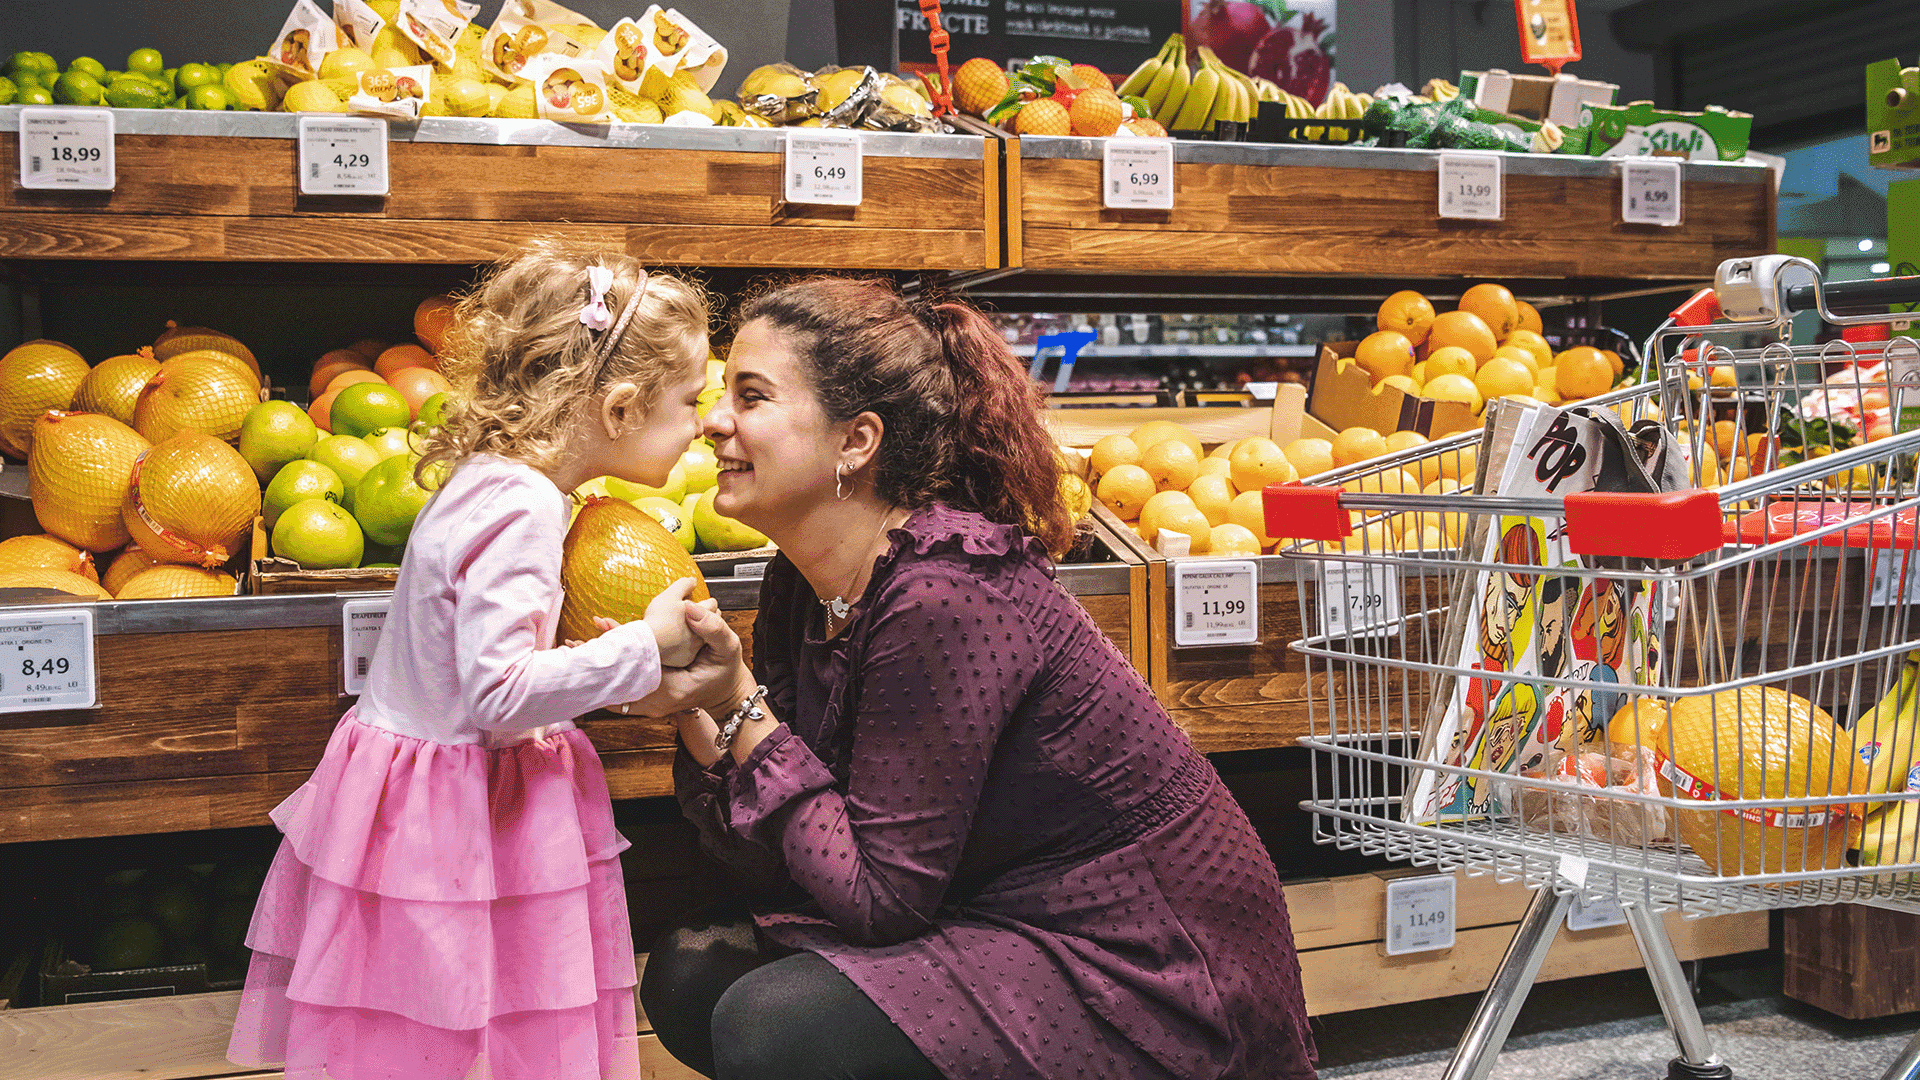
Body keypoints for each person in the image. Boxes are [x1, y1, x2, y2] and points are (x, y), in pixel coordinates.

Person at [631, 278, 1318, 1080]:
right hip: (981, 906)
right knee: (689, 973)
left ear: (857, 441)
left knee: (771, 1025)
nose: (715, 422)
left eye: (750, 397)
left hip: (1137, 957)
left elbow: (880, 901)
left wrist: (737, 703)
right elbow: (787, 862)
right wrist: (698, 709)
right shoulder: (802, 583)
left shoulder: (945, 591)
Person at [228, 240, 727, 1080]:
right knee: (469, 1031)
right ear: (620, 407)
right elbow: (499, 694)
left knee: (423, 1031)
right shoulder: (527, 506)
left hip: (423, 794)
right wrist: (647, 645)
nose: (704, 424)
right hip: (458, 815)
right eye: (689, 400)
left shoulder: (492, 479)